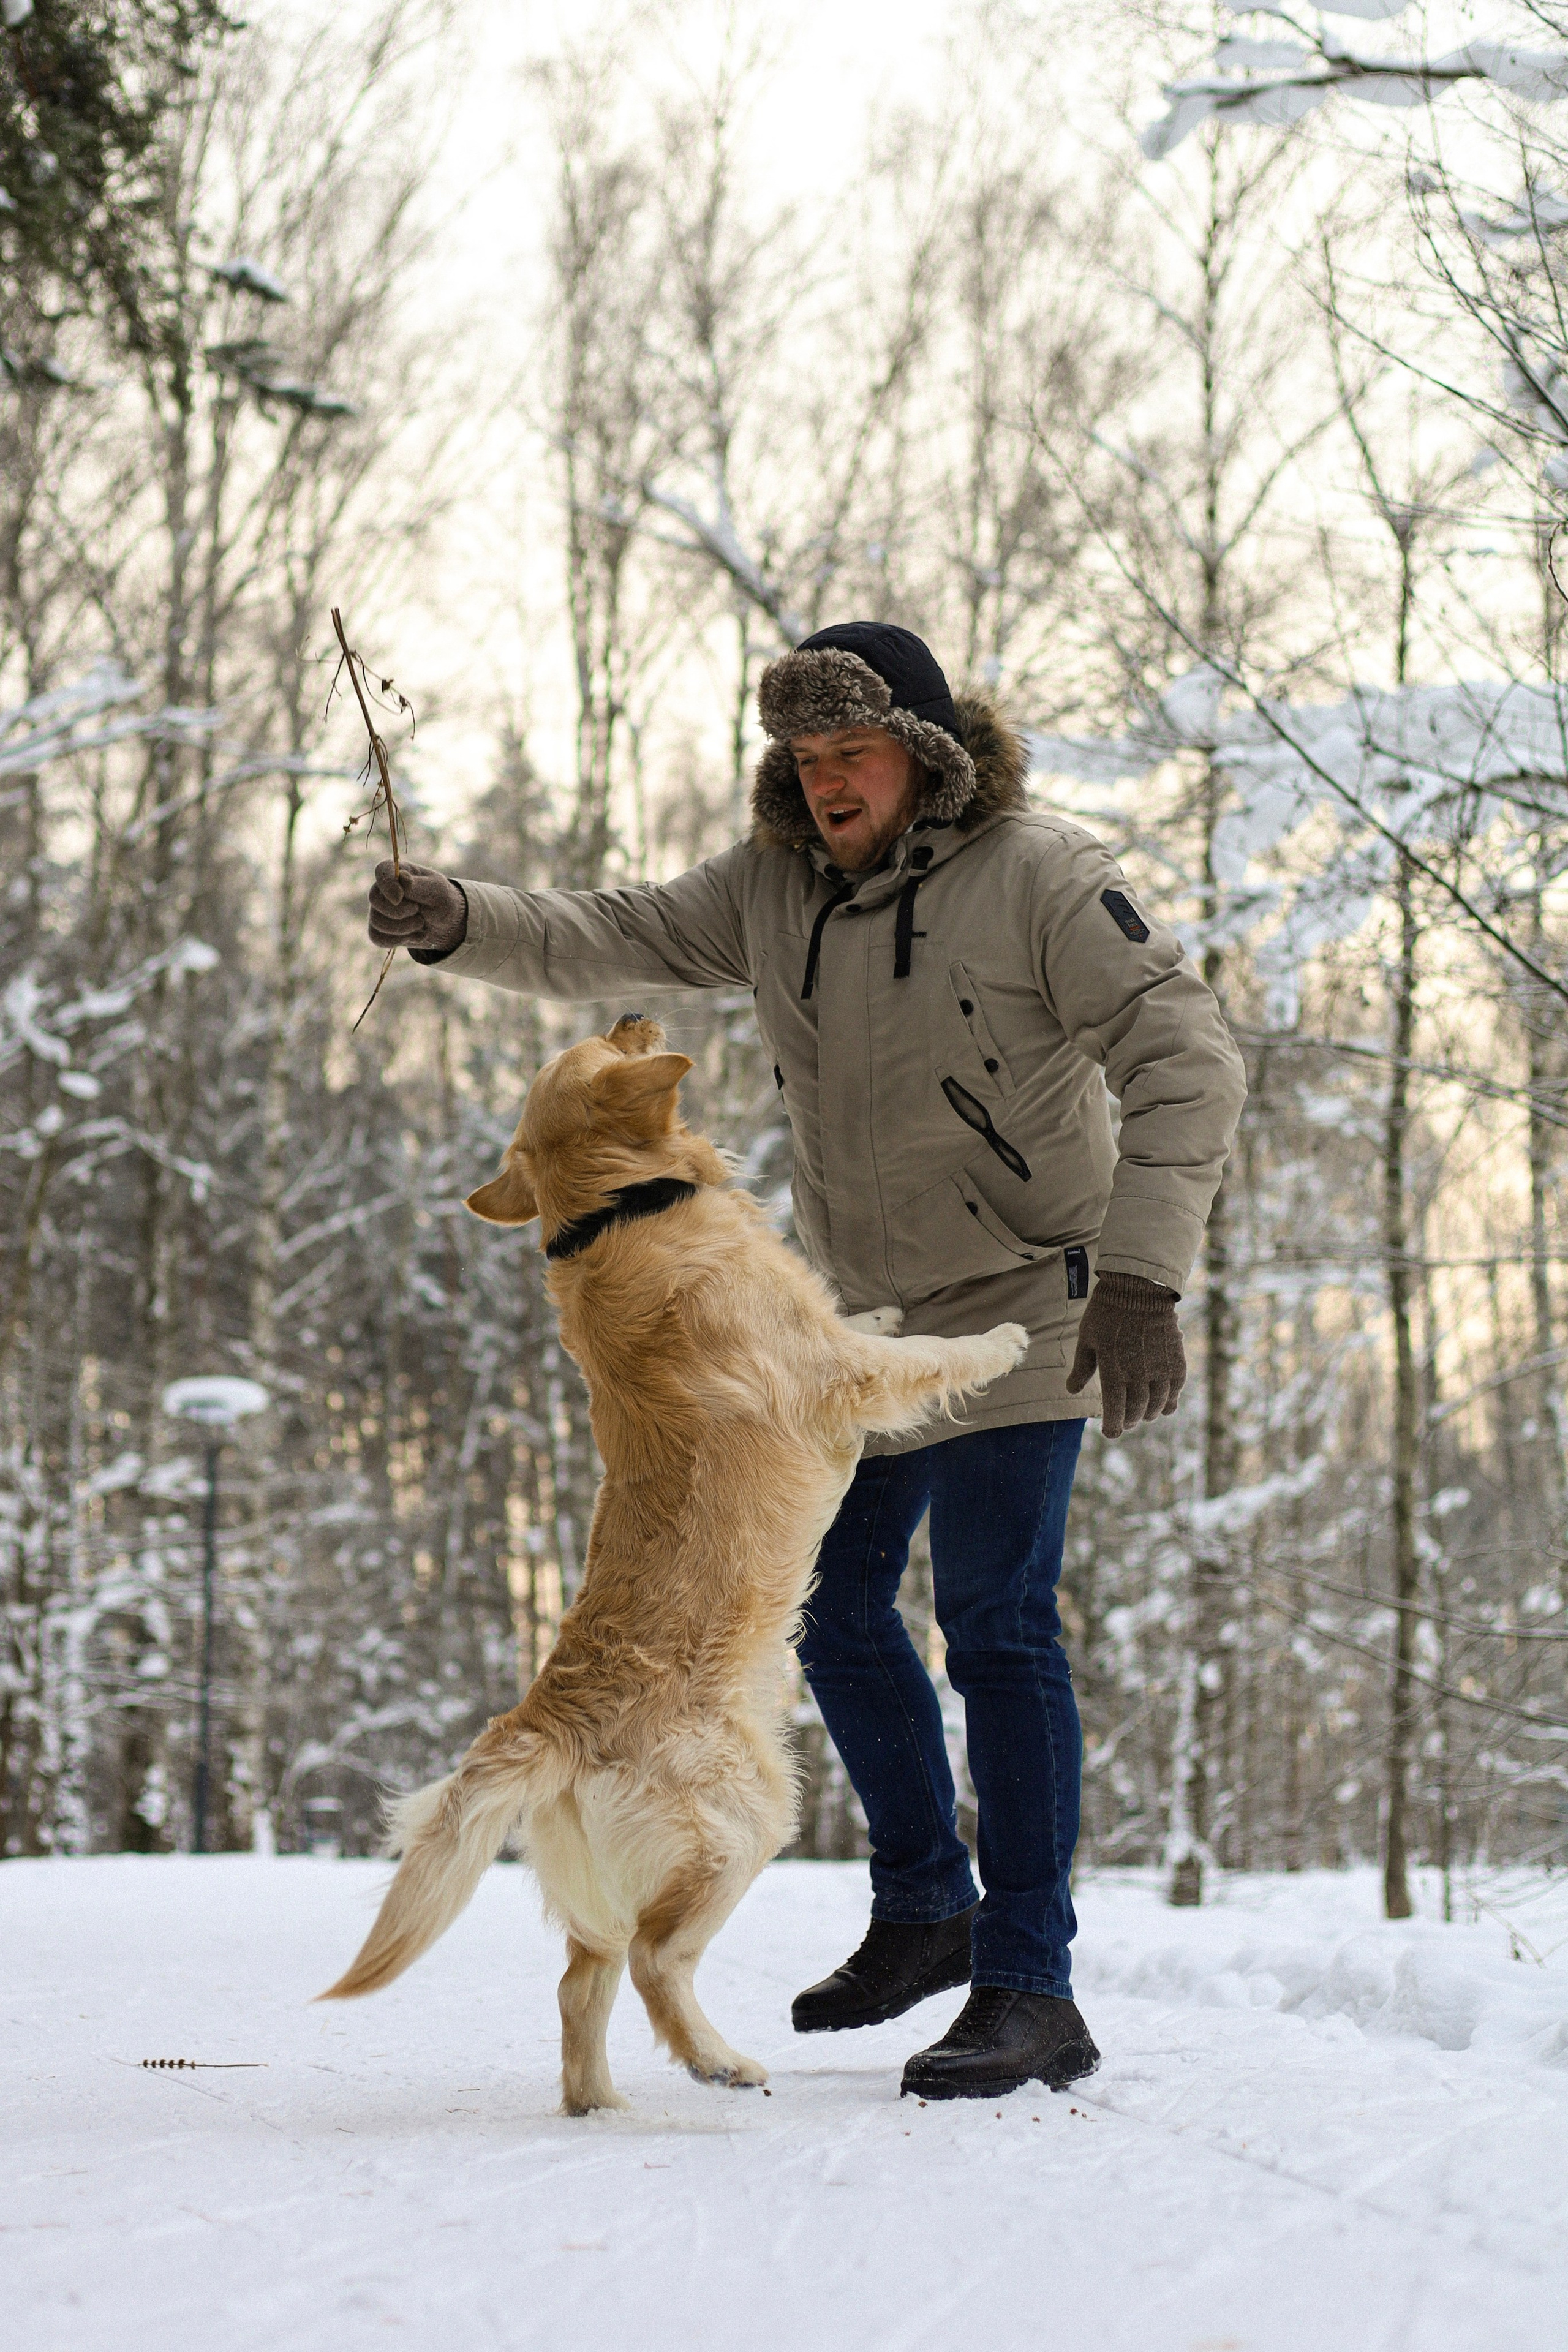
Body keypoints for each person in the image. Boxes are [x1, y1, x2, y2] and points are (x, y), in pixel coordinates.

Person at [368, 621, 1246, 2100]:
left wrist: (1144, 1279)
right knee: (833, 1610)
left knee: (994, 1622)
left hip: (1027, 1307)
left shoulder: (1036, 874)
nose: (827, 782)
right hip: (852, 1325)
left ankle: (1032, 1985)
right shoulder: (774, 888)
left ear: (925, 752)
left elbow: (1186, 1056)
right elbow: (611, 930)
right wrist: (456, 914)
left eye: (853, 752)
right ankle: (924, 1905)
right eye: (806, 757)